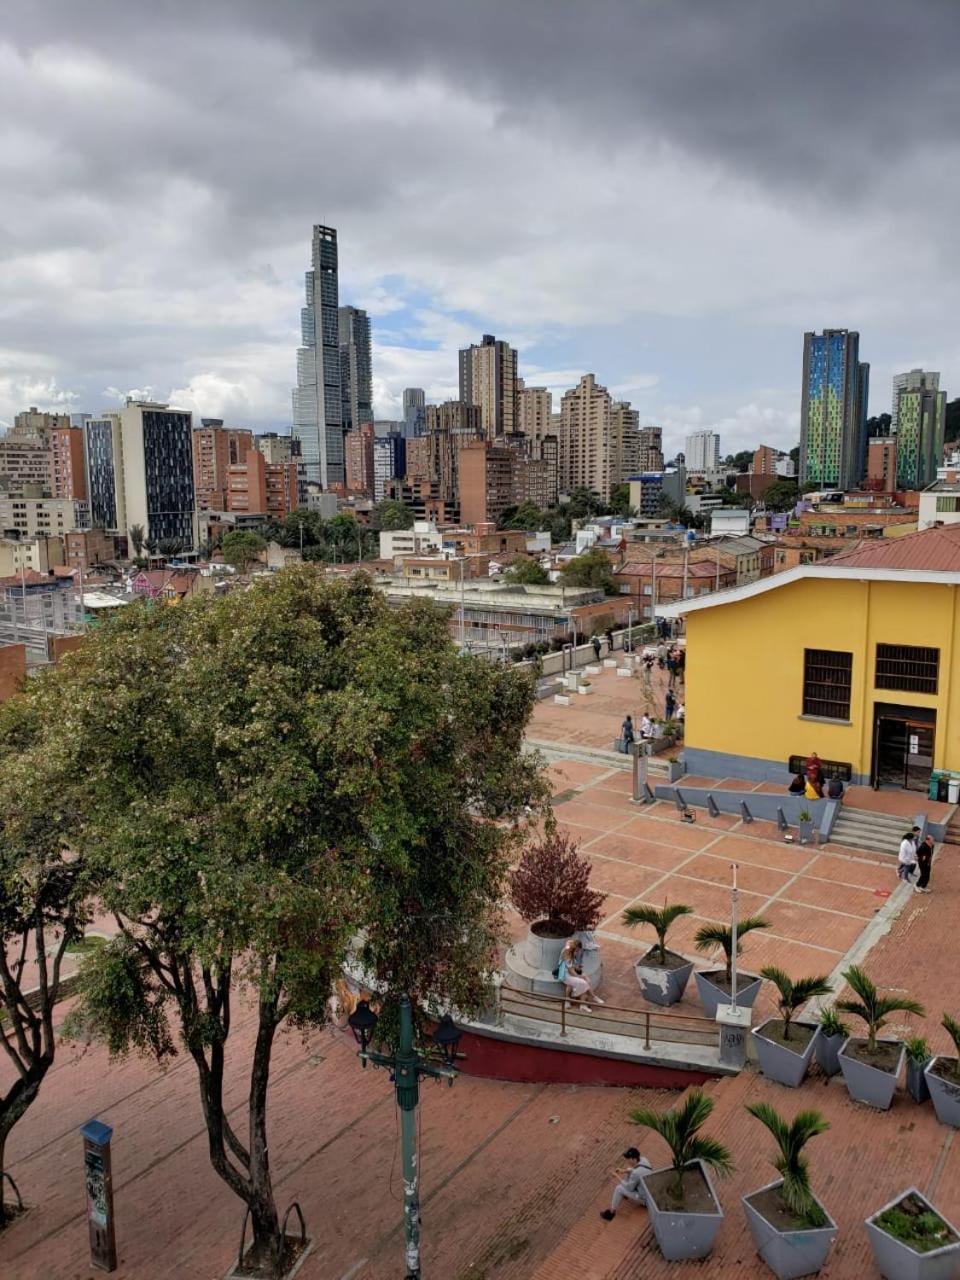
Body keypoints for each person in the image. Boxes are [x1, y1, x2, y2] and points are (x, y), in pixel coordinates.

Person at [600, 1148, 653, 1221]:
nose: (627, 1160)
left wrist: (617, 1176)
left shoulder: (636, 1173)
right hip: (650, 1190)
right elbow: (635, 1171)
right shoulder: (644, 1160)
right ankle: (624, 1194)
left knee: (619, 1188)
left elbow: (629, 1188)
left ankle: (611, 1213)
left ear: (634, 1159)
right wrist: (624, 1171)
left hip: (645, 1199)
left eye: (628, 1158)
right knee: (628, 1170)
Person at [557, 938, 604, 1011]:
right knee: (584, 983)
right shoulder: (568, 957)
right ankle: (591, 998)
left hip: (570, 971)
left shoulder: (568, 947)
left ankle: (583, 1004)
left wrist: (579, 971)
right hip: (565, 975)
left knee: (586, 980)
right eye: (577, 950)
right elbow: (571, 971)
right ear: (574, 950)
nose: (577, 952)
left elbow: (569, 941)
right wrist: (580, 976)